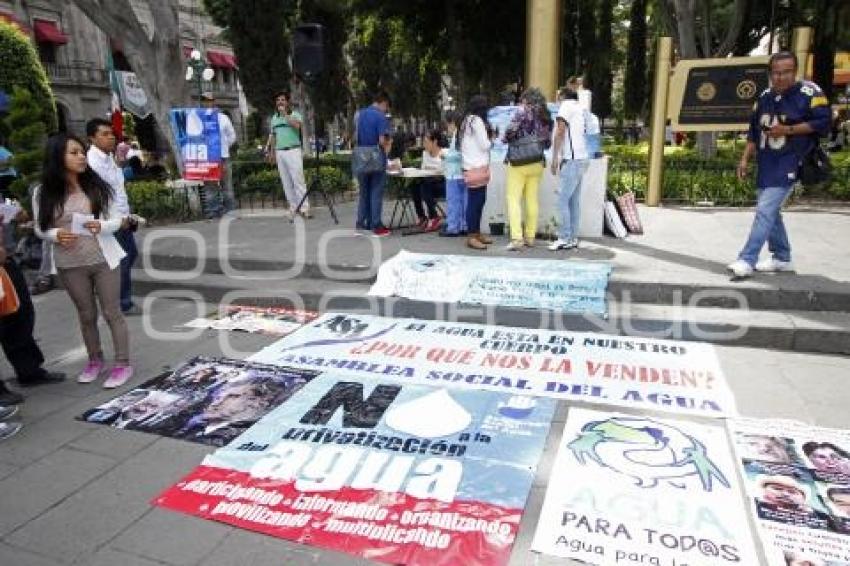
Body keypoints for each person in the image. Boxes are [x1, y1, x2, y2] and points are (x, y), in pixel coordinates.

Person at [33, 133, 132, 389]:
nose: (81, 157)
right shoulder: (43, 193)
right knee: (86, 315)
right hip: (69, 263)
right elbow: (40, 228)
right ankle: (94, 359)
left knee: (113, 313)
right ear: (58, 158)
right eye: (74, 153)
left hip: (103, 258)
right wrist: (55, 234)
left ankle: (122, 363)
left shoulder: (97, 186)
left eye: (81, 152)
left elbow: (117, 219)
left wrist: (101, 225)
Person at [728, 51, 831, 278]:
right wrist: (745, 159)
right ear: (770, 73)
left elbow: (823, 123)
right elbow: (754, 131)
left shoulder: (809, 93)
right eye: (776, 73)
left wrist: (788, 130)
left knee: (765, 210)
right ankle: (782, 257)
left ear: (795, 71)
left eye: (786, 72)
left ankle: (747, 259)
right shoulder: (764, 96)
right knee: (771, 212)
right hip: (768, 162)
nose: (780, 77)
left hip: (792, 160)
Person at [0, 201, 65, 394]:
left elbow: (19, 219)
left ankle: (29, 370)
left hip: (7, 262)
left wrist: (15, 216)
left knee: (20, 314)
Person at [86, 118, 140, 316]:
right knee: (121, 260)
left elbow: (118, 188)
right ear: (92, 138)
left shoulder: (109, 158)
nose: (110, 138)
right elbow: (99, 197)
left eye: (111, 134)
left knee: (129, 255)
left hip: (122, 217)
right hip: (110, 221)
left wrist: (127, 214)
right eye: (104, 134)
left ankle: (113, 296)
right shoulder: (91, 162)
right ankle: (121, 303)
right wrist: (116, 220)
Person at [502, 87, 552, 250]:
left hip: (518, 162)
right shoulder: (546, 116)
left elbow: (509, 133)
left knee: (513, 199)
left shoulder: (522, 113)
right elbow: (547, 143)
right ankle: (530, 237)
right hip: (537, 162)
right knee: (532, 199)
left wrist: (507, 138)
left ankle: (517, 238)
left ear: (526, 100)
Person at [549, 87, 589, 251]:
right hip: (582, 158)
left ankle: (564, 237)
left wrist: (554, 158)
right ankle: (572, 237)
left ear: (563, 96)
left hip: (571, 160)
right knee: (573, 202)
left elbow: (560, 131)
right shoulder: (580, 109)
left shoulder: (566, 107)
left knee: (562, 200)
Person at [264, 90, 310, 219]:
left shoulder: (295, 114)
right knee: (286, 182)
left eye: (282, 100)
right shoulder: (274, 118)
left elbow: (297, 127)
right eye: (278, 100)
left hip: (293, 150)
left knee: (298, 180)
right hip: (280, 152)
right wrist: (272, 152)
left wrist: (285, 115)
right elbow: (273, 136)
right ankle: (293, 207)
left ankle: (305, 208)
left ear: (287, 102)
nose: (280, 102)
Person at [354, 91, 393, 237]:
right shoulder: (380, 116)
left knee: (364, 192)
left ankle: (361, 223)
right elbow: (382, 140)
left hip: (360, 156)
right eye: (386, 107)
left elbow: (354, 136)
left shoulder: (359, 114)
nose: (386, 110)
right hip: (376, 157)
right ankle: (376, 225)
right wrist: (388, 147)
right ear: (383, 102)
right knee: (376, 191)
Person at [459, 94, 493, 250]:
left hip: (470, 166)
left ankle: (476, 233)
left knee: (477, 201)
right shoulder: (477, 121)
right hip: (477, 167)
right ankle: (472, 235)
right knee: (476, 202)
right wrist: (492, 139)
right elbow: (484, 145)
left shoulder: (466, 120)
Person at [200, 93, 238, 210]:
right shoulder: (198, 118)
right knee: (210, 185)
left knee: (227, 184)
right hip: (207, 158)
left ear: (213, 101)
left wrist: (224, 146)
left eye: (209, 100)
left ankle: (230, 209)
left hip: (223, 156)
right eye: (205, 101)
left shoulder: (223, 118)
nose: (207, 103)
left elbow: (232, 136)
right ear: (202, 103)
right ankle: (213, 210)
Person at [411, 129, 445, 232]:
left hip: (442, 184)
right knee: (415, 186)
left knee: (426, 184)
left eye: (426, 142)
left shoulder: (444, 153)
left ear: (434, 142)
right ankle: (422, 216)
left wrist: (431, 171)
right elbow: (423, 170)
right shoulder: (425, 154)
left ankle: (433, 216)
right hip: (429, 183)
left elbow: (444, 171)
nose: (424, 144)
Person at [440, 110, 467, 237]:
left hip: (453, 174)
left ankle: (453, 227)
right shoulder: (463, 134)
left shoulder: (457, 135)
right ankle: (463, 225)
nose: (447, 128)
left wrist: (444, 154)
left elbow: (456, 155)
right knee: (463, 202)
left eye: (448, 125)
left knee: (453, 202)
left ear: (452, 123)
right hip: (462, 173)